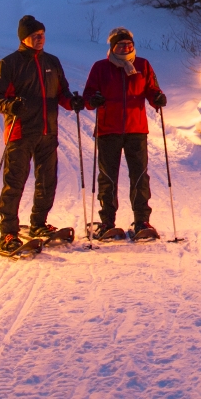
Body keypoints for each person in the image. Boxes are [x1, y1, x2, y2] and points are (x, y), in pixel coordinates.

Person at [0, 15, 84, 252]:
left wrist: (73, 102)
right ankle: (8, 231)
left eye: (42, 35)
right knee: (15, 182)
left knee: (47, 180)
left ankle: (38, 223)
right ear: (24, 38)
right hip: (20, 131)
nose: (40, 39)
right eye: (35, 36)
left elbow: (62, 93)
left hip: (48, 131)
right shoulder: (9, 64)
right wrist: (9, 106)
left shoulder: (52, 61)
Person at [83, 26, 167, 239]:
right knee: (108, 177)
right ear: (112, 47)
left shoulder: (142, 65)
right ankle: (107, 221)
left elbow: (151, 88)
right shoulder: (100, 68)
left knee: (139, 176)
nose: (126, 47)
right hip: (108, 129)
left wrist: (157, 97)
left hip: (136, 129)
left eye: (129, 44)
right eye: (121, 44)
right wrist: (93, 100)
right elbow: (88, 94)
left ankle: (142, 220)